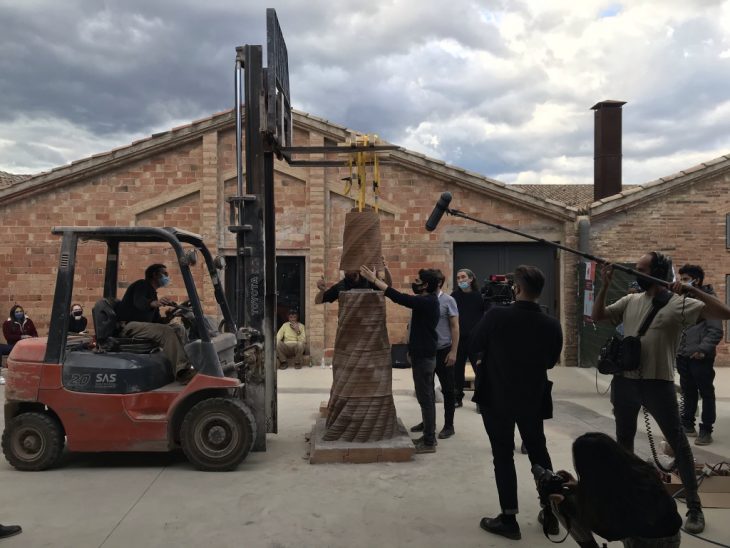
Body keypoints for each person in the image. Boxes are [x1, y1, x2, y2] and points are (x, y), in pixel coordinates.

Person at [592, 252, 730, 534]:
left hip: (658, 384)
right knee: (624, 441)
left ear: (657, 273)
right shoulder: (631, 300)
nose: (636, 273)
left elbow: (725, 313)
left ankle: (694, 507)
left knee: (679, 443)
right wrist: (604, 286)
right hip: (625, 382)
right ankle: (628, 499)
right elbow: (598, 316)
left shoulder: (679, 303)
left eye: (642, 270)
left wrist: (693, 291)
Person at [470, 265, 562, 541]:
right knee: (538, 452)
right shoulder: (551, 324)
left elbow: (475, 343)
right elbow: (550, 362)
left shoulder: (496, 315)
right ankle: (551, 514)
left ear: (517, 288)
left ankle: (509, 518)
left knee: (503, 455)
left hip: (496, 397)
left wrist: (486, 362)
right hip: (532, 398)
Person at [549, 432, 682, 548]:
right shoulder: (634, 470)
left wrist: (568, 506)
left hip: (649, 542)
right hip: (665, 536)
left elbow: (611, 533)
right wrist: (578, 488)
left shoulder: (626, 492)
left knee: (567, 505)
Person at [359, 265, 440, 454]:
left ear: (426, 285)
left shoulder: (428, 301)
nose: (415, 283)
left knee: (426, 398)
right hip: (422, 354)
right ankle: (428, 435)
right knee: (425, 397)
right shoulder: (427, 301)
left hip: (425, 357)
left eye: (418, 281)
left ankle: (429, 441)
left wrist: (374, 281)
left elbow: (399, 297)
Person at [116, 264, 194, 383]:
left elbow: (156, 322)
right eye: (165, 274)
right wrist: (155, 303)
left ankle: (185, 365)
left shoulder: (153, 293)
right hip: (129, 326)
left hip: (143, 326)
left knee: (178, 328)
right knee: (167, 331)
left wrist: (170, 316)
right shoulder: (141, 285)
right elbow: (139, 303)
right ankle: (182, 372)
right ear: (155, 275)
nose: (167, 277)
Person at [676, 264, 722, 446]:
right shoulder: (684, 300)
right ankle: (687, 424)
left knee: (706, 393)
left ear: (697, 280)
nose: (682, 282)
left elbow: (716, 331)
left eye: (686, 279)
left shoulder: (709, 301)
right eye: (681, 278)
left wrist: (702, 350)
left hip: (700, 357)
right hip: (683, 355)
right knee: (688, 391)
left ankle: (706, 430)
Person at [411, 270, 459, 439]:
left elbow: (455, 326)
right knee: (427, 390)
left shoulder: (448, 301)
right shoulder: (422, 299)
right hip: (426, 351)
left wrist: (454, 351)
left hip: (443, 350)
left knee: (448, 389)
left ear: (438, 283)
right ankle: (428, 423)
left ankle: (449, 425)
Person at [451, 268, 484, 407]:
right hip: (459, 339)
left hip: (476, 339)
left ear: (471, 279)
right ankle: (457, 398)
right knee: (457, 370)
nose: (460, 280)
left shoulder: (479, 296)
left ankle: (480, 400)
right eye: (458, 278)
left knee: (480, 370)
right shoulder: (454, 296)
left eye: (463, 277)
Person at [315, 259, 392, 304]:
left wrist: (386, 269)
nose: (348, 271)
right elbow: (318, 301)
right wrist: (322, 291)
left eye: (350, 267)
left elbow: (388, 287)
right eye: (346, 269)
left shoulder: (368, 281)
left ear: (357, 269)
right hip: (349, 325)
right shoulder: (341, 286)